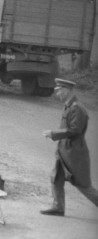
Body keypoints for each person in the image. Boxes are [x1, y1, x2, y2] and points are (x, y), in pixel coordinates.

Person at [40, 78, 98, 216]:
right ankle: (58, 207)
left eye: (59, 91)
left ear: (66, 90)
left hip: (74, 153)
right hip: (64, 151)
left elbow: (75, 130)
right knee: (56, 178)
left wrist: (53, 134)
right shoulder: (69, 105)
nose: (57, 94)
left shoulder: (77, 108)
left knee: (83, 185)